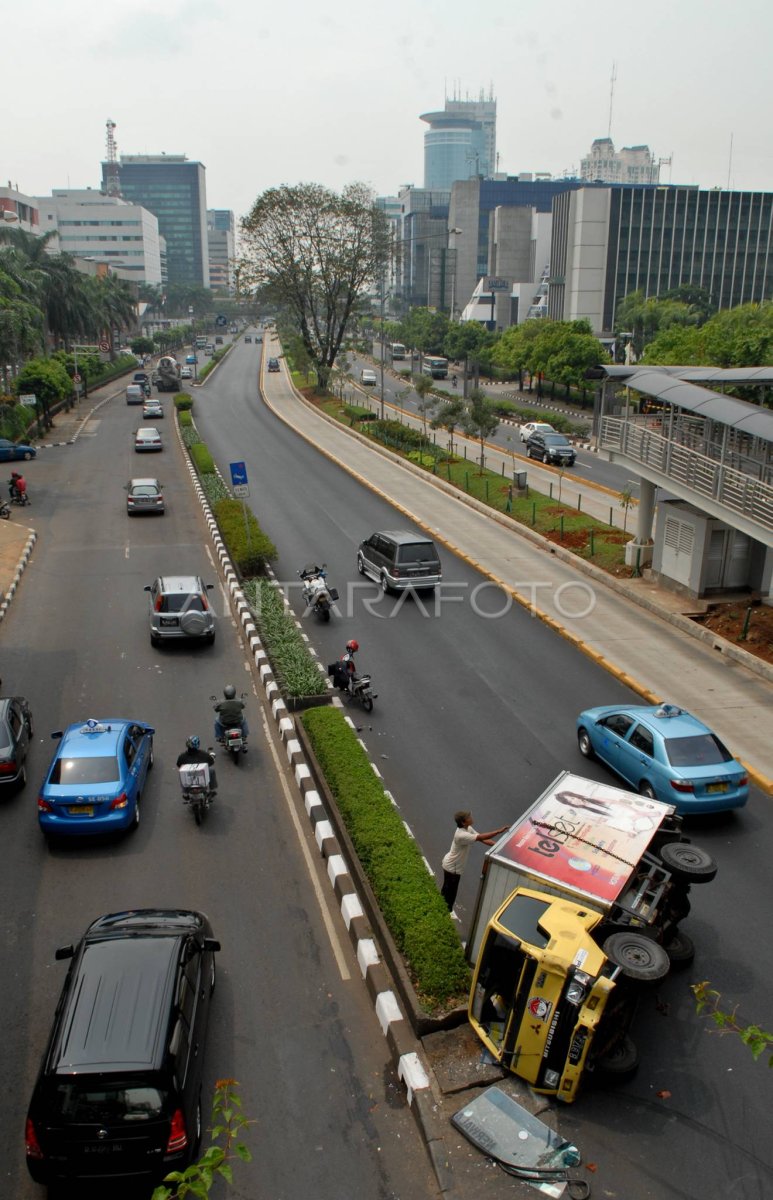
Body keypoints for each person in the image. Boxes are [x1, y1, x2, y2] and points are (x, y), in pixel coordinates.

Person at [440, 810, 509, 912]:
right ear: (463, 822)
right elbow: (481, 837)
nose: (471, 817)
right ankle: (443, 912)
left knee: (447, 892)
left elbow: (483, 839)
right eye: (469, 817)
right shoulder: (461, 835)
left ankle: (440, 909)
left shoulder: (468, 828)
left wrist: (500, 846)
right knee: (450, 896)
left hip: (451, 866)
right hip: (452, 868)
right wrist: (499, 831)